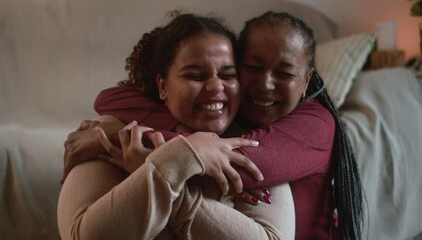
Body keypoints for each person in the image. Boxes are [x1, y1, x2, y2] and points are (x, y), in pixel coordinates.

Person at [64, 10, 364, 240]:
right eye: (252, 68)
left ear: (306, 81)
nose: (264, 84)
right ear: (162, 85)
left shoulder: (314, 124)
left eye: (284, 73)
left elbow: (231, 164)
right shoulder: (239, 117)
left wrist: (125, 140)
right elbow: (111, 97)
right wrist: (180, 140)